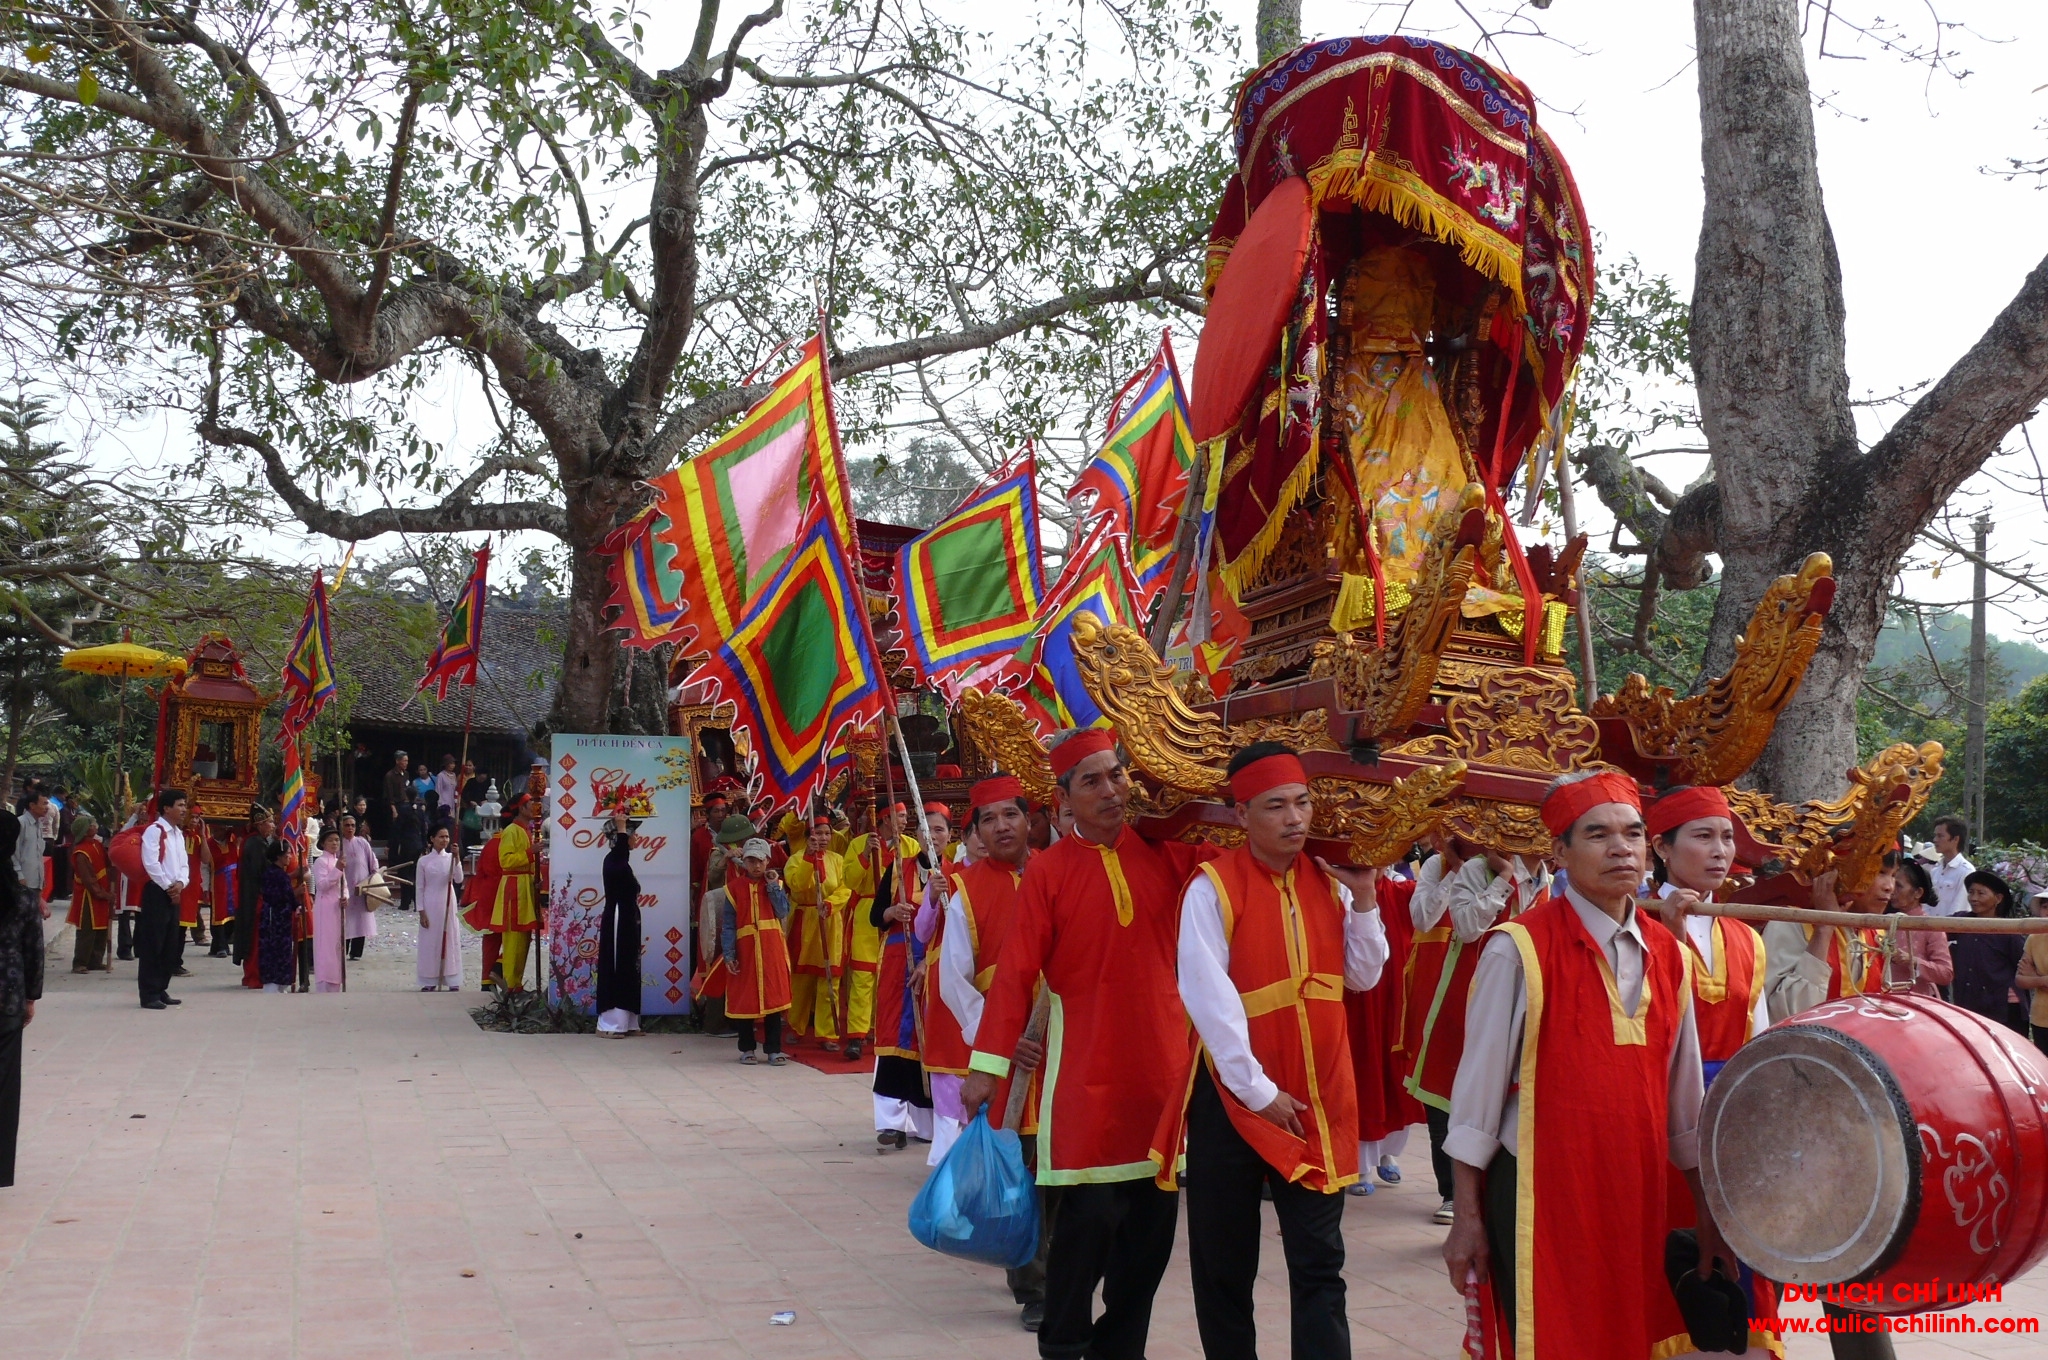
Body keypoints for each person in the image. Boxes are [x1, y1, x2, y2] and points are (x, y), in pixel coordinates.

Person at [1443, 771, 1727, 1359]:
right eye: (1597, 834)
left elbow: (1685, 1112)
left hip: (1636, 1194)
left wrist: (1708, 1215)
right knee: (1548, 1339)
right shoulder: (1516, 948)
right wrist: (1466, 1219)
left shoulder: (1670, 955)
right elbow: (1475, 1103)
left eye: (1633, 833)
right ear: (1561, 852)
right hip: (1541, 1194)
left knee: (1626, 1339)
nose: (1621, 848)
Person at [959, 730, 1209, 1360]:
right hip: (1083, 1077)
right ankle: (1064, 1341)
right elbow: (1015, 972)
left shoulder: (1170, 858)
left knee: (1151, 1239)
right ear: (1063, 797)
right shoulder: (1048, 871)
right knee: (1087, 1225)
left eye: (1117, 776)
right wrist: (987, 1066)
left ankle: (1121, 1348)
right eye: (1092, 780)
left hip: (1161, 1074)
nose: (1110, 790)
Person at [1150, 743, 1389, 1360]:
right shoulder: (1213, 886)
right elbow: (1210, 998)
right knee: (1225, 1263)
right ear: (1241, 814)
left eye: (1302, 802)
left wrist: (1364, 901)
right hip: (1234, 1099)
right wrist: (1258, 1091)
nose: (1294, 818)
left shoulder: (1327, 881)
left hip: (1316, 1094)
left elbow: (1361, 977)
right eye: (1276, 806)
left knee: (1320, 1261)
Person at [1645, 785, 1785, 1355]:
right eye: (1703, 837)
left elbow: (1759, 1040)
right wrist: (1670, 938)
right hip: (1656, 1115)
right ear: (1661, 847)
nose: (1720, 850)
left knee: (1737, 1258)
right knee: (1664, 1252)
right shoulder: (1634, 923)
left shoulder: (1746, 936)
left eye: (1727, 837)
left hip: (1731, 1120)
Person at [1409, 838, 1546, 1226]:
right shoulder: (1477, 868)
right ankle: (1451, 1192)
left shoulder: (1547, 877)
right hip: (1466, 989)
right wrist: (1503, 878)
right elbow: (1466, 928)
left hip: (1522, 993)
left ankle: (1494, 1192)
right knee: (1448, 1087)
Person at [1401, 832, 1465, 1218]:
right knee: (1439, 1091)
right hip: (1440, 987)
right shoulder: (1434, 867)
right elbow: (1422, 917)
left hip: (1488, 984)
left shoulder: (1514, 868)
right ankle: (1450, 1193)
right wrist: (1455, 872)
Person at [867, 800, 934, 1146]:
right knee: (894, 1038)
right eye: (927, 830)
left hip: (934, 965)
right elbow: (875, 916)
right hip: (897, 962)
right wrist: (893, 910)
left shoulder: (953, 873)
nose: (933, 837)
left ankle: (927, 1123)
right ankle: (890, 1121)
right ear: (918, 836)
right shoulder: (897, 869)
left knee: (929, 1042)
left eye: (939, 830)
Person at [1763, 858, 1896, 1022]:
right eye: (1879, 872)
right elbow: (1783, 1014)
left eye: (1894, 875)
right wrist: (1824, 928)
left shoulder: (1877, 932)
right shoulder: (1791, 922)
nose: (1889, 886)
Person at [842, 802, 918, 1065]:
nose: (906, 820)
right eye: (901, 816)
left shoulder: (910, 846)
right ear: (885, 819)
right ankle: (856, 1035)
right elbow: (849, 880)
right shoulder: (860, 842)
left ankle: (882, 1028)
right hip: (866, 912)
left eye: (907, 815)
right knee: (863, 976)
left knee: (891, 974)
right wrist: (865, 856)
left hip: (897, 913)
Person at [718, 838, 792, 1065]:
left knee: (773, 1000)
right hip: (746, 949)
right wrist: (729, 954)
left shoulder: (775, 885)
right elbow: (728, 924)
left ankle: (773, 1049)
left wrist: (772, 886)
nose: (756, 866)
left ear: (768, 861)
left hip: (772, 950)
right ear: (744, 862)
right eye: (751, 860)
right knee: (745, 1001)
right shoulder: (733, 889)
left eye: (760, 860)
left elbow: (782, 911)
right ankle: (747, 1048)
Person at [784, 817, 850, 1048]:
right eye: (817, 834)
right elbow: (797, 885)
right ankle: (795, 1025)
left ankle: (828, 1033)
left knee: (829, 979)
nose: (822, 838)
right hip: (805, 921)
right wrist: (808, 859)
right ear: (807, 837)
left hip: (831, 921)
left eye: (826, 834)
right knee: (801, 978)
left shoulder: (839, 860)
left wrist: (831, 904)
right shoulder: (794, 859)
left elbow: (846, 887)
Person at [462, 795, 540, 991]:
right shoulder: (512, 832)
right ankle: (507, 982)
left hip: (518, 889)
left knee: (521, 937)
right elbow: (506, 862)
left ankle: (508, 981)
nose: (535, 807)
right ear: (521, 809)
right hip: (509, 892)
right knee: (510, 937)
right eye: (531, 804)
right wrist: (531, 853)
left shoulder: (523, 831)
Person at [0, 834, 42, 1186]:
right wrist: (31, 998)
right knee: (5, 1082)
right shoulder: (23, 899)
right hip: (8, 995)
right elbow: (34, 952)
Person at [1950, 869, 2027, 1033]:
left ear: (1998, 898)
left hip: (2002, 1005)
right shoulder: (1960, 922)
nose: (1974, 898)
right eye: (1971, 892)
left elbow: (2023, 964)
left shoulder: (2008, 931)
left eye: (1981, 893)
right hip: (1970, 1002)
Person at [595, 809, 642, 1034]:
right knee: (616, 964)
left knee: (629, 964)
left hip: (627, 918)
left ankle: (629, 1020)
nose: (636, 838)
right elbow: (621, 855)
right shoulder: (613, 860)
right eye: (632, 834)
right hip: (617, 918)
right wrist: (622, 829)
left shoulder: (620, 860)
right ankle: (610, 1023)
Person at [1884, 857, 1954, 998]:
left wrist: (1913, 961)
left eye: (1899, 886)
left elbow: (1946, 973)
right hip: (1882, 999)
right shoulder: (1883, 921)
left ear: (1918, 893)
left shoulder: (1930, 927)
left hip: (1917, 1002)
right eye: (1892, 883)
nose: (1892, 889)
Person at [415, 824, 465, 992]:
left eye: (447, 837)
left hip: (448, 901)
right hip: (430, 902)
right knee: (431, 940)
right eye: (441, 837)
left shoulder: (451, 858)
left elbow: (459, 879)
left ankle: (451, 978)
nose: (445, 840)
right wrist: (421, 911)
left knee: (449, 938)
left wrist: (457, 858)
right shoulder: (423, 861)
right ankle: (430, 979)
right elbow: (420, 888)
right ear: (432, 839)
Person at [66, 812, 113, 973]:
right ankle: (80, 962)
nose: (95, 826)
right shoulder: (81, 852)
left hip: (101, 892)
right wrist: (102, 893)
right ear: (85, 830)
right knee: (87, 930)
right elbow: (88, 878)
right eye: (92, 825)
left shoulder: (97, 845)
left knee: (101, 929)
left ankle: (95, 960)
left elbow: (108, 862)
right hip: (88, 894)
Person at [234, 806, 276, 989]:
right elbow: (264, 872)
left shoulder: (254, 841)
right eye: (270, 822)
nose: (273, 825)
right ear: (260, 824)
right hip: (256, 896)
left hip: (251, 895)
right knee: (257, 937)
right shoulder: (257, 844)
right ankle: (254, 976)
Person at [257, 838, 301, 992]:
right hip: (274, 919)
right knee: (274, 952)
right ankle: (273, 985)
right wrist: (295, 901)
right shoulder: (274, 874)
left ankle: (281, 984)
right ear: (279, 856)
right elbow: (281, 897)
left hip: (282, 919)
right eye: (287, 853)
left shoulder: (280, 874)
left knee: (283, 951)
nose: (290, 856)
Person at [337, 813, 379, 961]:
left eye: (353, 825)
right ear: (341, 827)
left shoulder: (362, 843)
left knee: (360, 919)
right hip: (345, 887)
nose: (350, 828)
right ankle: (343, 949)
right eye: (347, 825)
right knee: (345, 919)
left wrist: (372, 880)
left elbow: (372, 862)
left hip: (362, 887)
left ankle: (356, 952)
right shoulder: (338, 844)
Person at [310, 828, 347, 992]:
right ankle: (324, 981)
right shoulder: (321, 862)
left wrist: (346, 897)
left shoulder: (338, 861)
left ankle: (336, 981)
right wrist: (337, 869)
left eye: (337, 840)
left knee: (337, 945)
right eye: (331, 840)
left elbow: (344, 886)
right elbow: (322, 885)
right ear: (323, 843)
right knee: (326, 944)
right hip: (325, 907)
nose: (334, 843)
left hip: (338, 907)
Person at [2015, 890, 2048, 1057]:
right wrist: (2042, 980)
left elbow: (2028, 978)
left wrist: (2035, 977)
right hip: (2040, 1017)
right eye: (2045, 907)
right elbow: (2020, 979)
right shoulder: (2034, 938)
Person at [1927, 814, 1975, 918]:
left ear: (1955, 839)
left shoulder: (1966, 871)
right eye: (1935, 835)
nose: (1935, 839)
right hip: (1930, 930)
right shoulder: (1935, 870)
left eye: (1940, 836)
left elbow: (1960, 909)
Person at [13, 787, 48, 922]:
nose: (46, 807)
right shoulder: (21, 823)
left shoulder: (38, 825)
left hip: (35, 881)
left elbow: (38, 854)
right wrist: (19, 874)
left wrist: (41, 877)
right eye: (43, 803)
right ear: (32, 805)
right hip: (23, 881)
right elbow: (14, 852)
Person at [383, 750, 410, 839]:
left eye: (407, 761)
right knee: (395, 830)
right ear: (397, 761)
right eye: (404, 761)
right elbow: (389, 794)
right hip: (396, 806)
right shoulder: (390, 775)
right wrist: (394, 810)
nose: (406, 763)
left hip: (405, 805)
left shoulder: (406, 774)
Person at [433, 755, 460, 831]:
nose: (452, 765)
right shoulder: (441, 775)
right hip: (443, 803)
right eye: (450, 763)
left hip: (452, 802)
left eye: (453, 763)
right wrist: (439, 804)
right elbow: (438, 790)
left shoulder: (454, 775)